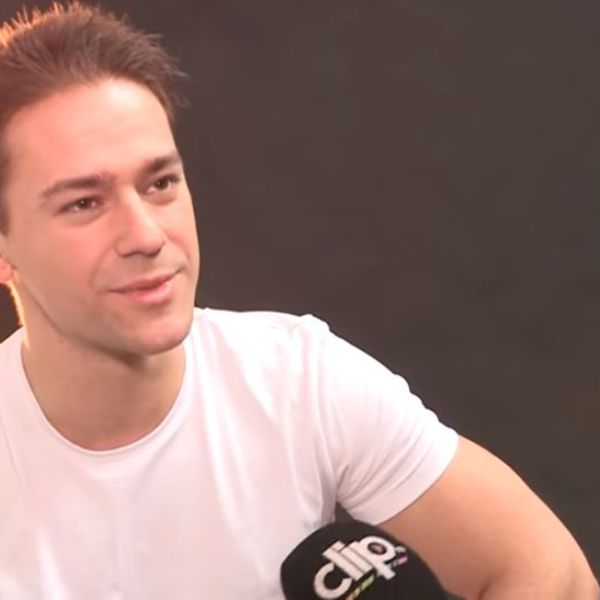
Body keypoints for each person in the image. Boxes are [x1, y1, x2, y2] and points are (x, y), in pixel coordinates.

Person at [0, 3, 596, 598]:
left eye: (160, 183)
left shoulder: (297, 381)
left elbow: (553, 574)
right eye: (84, 203)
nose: (147, 235)